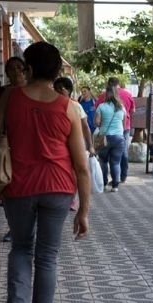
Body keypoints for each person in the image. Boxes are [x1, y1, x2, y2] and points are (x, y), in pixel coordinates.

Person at [0, 41, 91, 303]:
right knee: (47, 258)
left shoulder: (10, 97)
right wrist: (83, 211)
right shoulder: (68, 107)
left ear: (27, 68)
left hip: (19, 188)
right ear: (57, 72)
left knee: (21, 248)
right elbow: (81, 167)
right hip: (58, 188)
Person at [53, 76, 94, 211]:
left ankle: (72, 198)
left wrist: (90, 145)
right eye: (56, 89)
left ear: (69, 90)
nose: (58, 92)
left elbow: (85, 126)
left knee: (76, 171)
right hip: (59, 144)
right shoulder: (50, 104)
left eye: (61, 89)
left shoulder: (75, 105)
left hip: (76, 143)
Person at [0, 56, 27, 242]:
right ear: (6, 72)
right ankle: (13, 227)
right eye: (11, 68)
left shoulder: (33, 92)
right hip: (7, 148)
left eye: (19, 67)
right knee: (8, 188)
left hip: (29, 147)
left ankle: (29, 226)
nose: (16, 71)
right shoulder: (1, 94)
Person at [96, 77, 135, 183]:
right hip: (123, 128)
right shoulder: (128, 95)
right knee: (122, 154)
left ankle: (105, 180)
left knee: (104, 158)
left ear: (108, 84)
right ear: (119, 84)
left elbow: (97, 116)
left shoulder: (102, 97)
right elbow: (132, 110)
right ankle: (122, 177)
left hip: (105, 132)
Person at [94, 85, 125, 192]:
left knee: (103, 161)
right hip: (119, 138)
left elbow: (97, 122)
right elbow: (123, 123)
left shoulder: (101, 106)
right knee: (116, 162)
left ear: (106, 95)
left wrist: (102, 124)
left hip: (105, 138)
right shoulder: (121, 107)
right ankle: (115, 186)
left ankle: (104, 183)